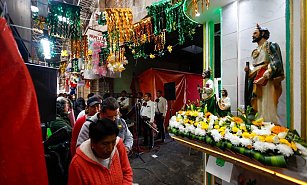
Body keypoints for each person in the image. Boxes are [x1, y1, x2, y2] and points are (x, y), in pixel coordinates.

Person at [68, 118, 133, 185]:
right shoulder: (77, 165)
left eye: (113, 142)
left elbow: (127, 171)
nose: (110, 148)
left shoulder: (118, 145)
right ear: (93, 143)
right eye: (105, 144)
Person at [245, 24, 284, 124]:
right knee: (257, 103)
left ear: (262, 33)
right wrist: (249, 71)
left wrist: (265, 76)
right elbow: (255, 66)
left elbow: (276, 62)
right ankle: (257, 124)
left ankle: (268, 125)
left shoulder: (270, 45)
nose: (252, 35)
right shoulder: (256, 50)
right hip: (255, 80)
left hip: (266, 81)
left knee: (266, 105)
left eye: (255, 33)